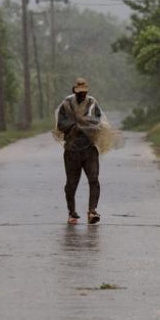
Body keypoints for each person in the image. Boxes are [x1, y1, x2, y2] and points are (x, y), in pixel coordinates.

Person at [55, 77, 103, 224]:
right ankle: (72, 212)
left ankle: (92, 211)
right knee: (71, 183)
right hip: (72, 150)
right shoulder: (66, 105)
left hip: (89, 148)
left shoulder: (92, 104)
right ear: (74, 91)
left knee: (94, 180)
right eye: (79, 92)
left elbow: (98, 120)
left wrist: (86, 125)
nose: (82, 94)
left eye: (84, 92)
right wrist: (75, 126)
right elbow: (61, 124)